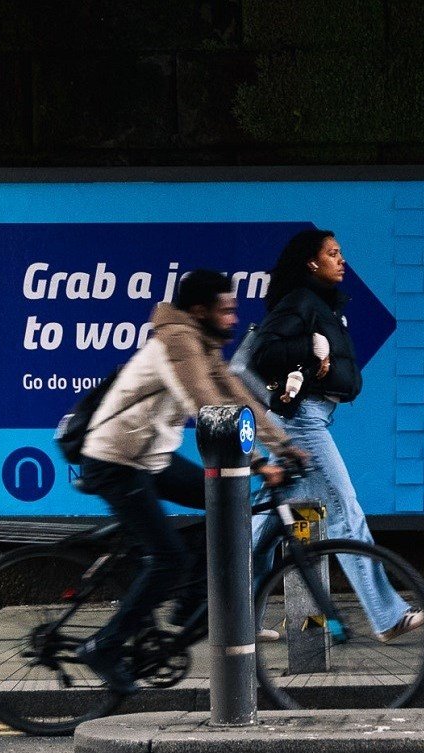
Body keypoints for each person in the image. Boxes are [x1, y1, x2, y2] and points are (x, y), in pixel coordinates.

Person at [74, 269, 305, 694]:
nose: (235, 319)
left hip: (150, 458)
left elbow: (238, 397)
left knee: (224, 504)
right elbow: (207, 406)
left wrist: (285, 446)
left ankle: (188, 602)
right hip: (116, 460)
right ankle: (102, 646)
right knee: (168, 558)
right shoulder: (178, 341)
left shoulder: (201, 341)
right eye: (227, 310)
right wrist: (256, 462)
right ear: (200, 311)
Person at [254, 228, 424, 642]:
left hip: (311, 417)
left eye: (341, 252)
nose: (341, 259)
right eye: (332, 253)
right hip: (302, 422)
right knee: (344, 509)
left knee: (260, 525)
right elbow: (264, 355)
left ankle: (230, 613)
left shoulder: (321, 304)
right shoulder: (301, 302)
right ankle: (387, 616)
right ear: (311, 263)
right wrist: (310, 353)